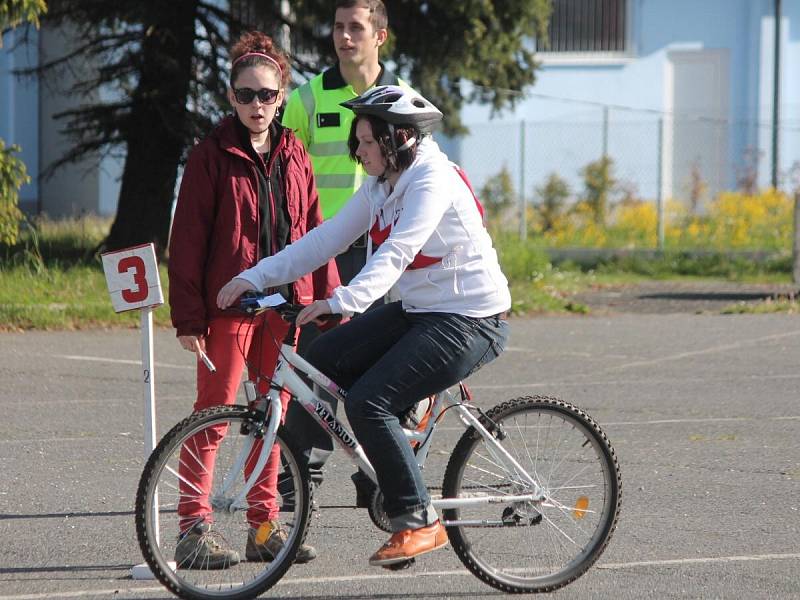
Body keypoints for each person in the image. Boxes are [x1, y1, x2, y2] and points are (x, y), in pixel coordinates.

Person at [217, 86, 511, 566]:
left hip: (472, 318)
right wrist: (254, 275)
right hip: (423, 312)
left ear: (400, 139)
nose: (359, 151)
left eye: (368, 142)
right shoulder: (380, 185)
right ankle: (396, 442)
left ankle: (418, 519)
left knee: (367, 403)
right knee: (323, 359)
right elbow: (324, 240)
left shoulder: (431, 179)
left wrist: (343, 300)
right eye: (358, 142)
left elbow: (397, 252)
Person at [167, 31, 340, 569]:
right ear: (230, 96)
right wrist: (189, 317)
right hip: (228, 309)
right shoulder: (209, 154)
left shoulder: (295, 153)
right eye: (245, 95)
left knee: (273, 416)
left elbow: (316, 231)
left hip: (283, 310)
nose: (256, 105)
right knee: (214, 416)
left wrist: (329, 298)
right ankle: (193, 527)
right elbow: (188, 239)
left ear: (282, 93)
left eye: (266, 94)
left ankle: (262, 528)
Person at [281, 0, 413, 505]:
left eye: (356, 27)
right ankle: (297, 482)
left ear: (380, 36)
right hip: (328, 254)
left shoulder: (404, 100)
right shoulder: (308, 99)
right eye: (338, 27)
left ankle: (378, 480)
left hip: (387, 256)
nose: (344, 36)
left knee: (387, 365)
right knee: (317, 368)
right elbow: (281, 171)